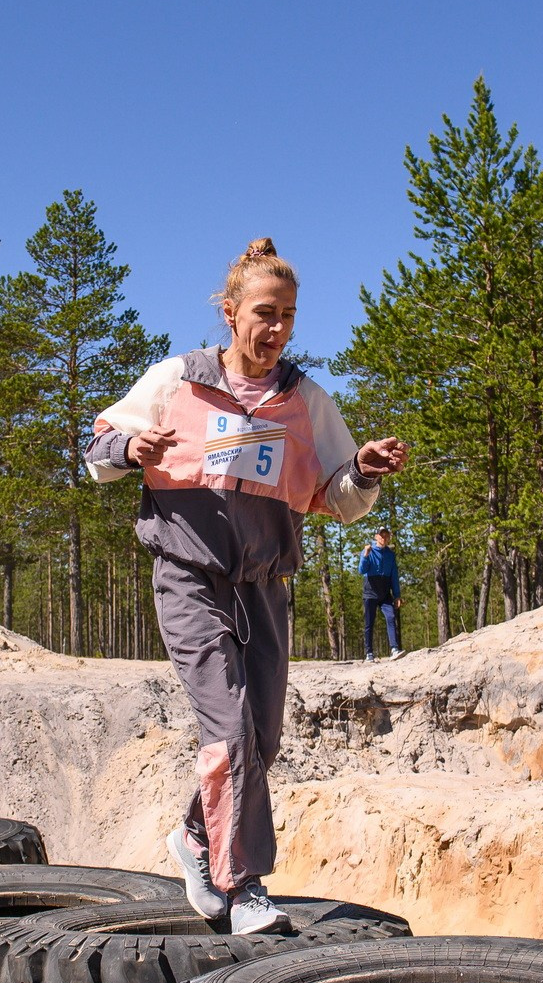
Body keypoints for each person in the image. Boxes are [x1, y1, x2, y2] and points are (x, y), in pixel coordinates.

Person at [86, 237, 409, 933]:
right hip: (189, 575)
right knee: (229, 728)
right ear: (230, 313)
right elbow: (99, 446)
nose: (278, 329)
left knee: (261, 740)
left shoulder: (303, 399)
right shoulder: (179, 379)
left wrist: (363, 468)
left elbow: (335, 496)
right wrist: (131, 448)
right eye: (265, 313)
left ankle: (194, 836)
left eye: (288, 315)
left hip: (264, 582)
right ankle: (244, 888)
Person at [360, 526, 402, 659]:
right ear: (376, 537)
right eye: (381, 535)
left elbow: (394, 576)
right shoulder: (368, 551)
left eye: (386, 535)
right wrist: (366, 555)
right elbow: (361, 570)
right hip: (370, 591)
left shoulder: (390, 555)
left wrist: (397, 595)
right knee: (369, 622)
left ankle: (394, 649)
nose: (384, 538)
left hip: (385, 592)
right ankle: (369, 653)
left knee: (391, 617)